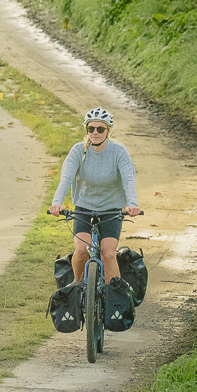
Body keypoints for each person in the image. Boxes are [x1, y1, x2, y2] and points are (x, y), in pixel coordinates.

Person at [49, 107, 143, 295]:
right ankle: (77, 287)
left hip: (111, 209)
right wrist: (56, 202)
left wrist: (132, 203)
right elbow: (66, 178)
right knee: (82, 250)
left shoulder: (118, 151)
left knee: (108, 254)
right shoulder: (78, 151)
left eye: (100, 129)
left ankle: (115, 296)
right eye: (91, 129)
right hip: (84, 208)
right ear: (86, 130)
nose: (95, 133)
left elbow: (128, 179)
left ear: (108, 131)